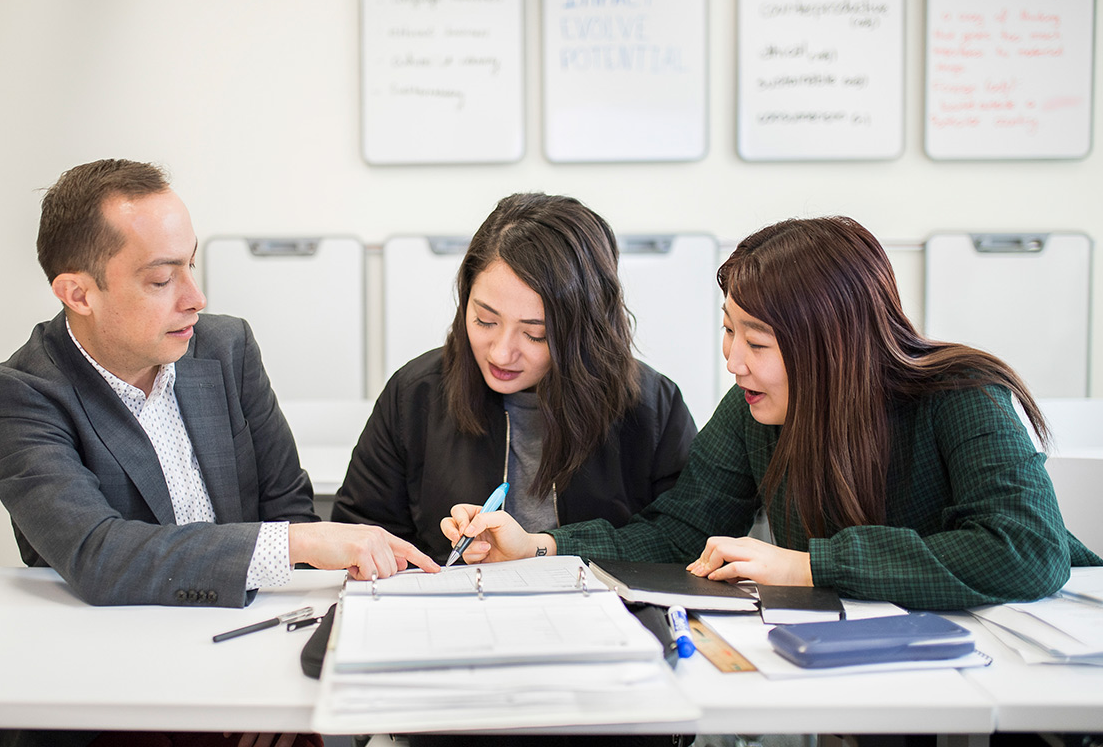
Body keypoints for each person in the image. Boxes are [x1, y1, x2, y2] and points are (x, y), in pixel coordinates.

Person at [442, 215, 1102, 610]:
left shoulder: (963, 395)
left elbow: (1026, 551)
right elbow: (678, 534)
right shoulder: (754, 410)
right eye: (729, 332)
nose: (733, 360)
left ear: (831, 348)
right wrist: (543, 546)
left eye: (757, 343)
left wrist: (811, 566)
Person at [0, 158, 438, 613]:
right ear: (78, 294)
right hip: (114, 644)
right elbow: (98, 554)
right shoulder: (18, 396)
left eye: (190, 265)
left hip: (252, 623)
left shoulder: (226, 347)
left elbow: (286, 505)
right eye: (160, 279)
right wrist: (298, 543)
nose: (196, 299)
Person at [332, 192, 698, 564]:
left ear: (586, 331)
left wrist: (544, 547)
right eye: (485, 320)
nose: (501, 353)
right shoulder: (415, 395)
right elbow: (358, 537)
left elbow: (683, 539)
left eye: (536, 334)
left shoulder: (652, 407)